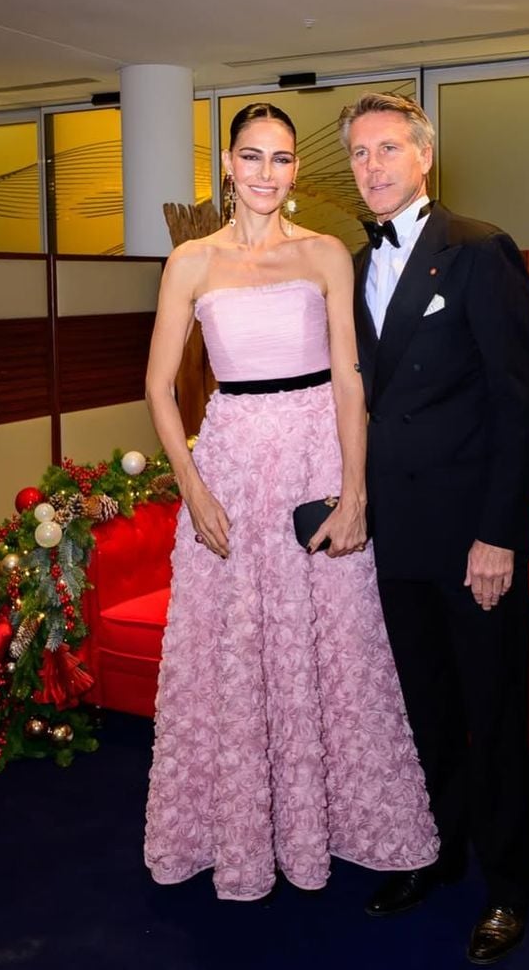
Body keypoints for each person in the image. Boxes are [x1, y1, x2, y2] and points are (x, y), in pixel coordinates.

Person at [142, 101, 438, 902]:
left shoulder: (325, 255)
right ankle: (235, 832)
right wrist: (193, 487)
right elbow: (159, 386)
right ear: (227, 165)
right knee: (234, 649)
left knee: (337, 645)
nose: (266, 173)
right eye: (252, 156)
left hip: (314, 460)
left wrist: (355, 491)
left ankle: (333, 826)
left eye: (280, 158)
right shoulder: (191, 261)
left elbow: (348, 378)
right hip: (232, 465)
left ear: (296, 169)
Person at [339, 92, 529, 965]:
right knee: (423, 711)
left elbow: (518, 402)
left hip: (471, 540)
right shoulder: (353, 266)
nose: (373, 165)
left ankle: (507, 887)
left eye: (389, 148)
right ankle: (439, 850)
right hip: (396, 538)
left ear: (425, 157)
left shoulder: (479, 249)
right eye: (359, 153)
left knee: (492, 714)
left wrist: (499, 535)